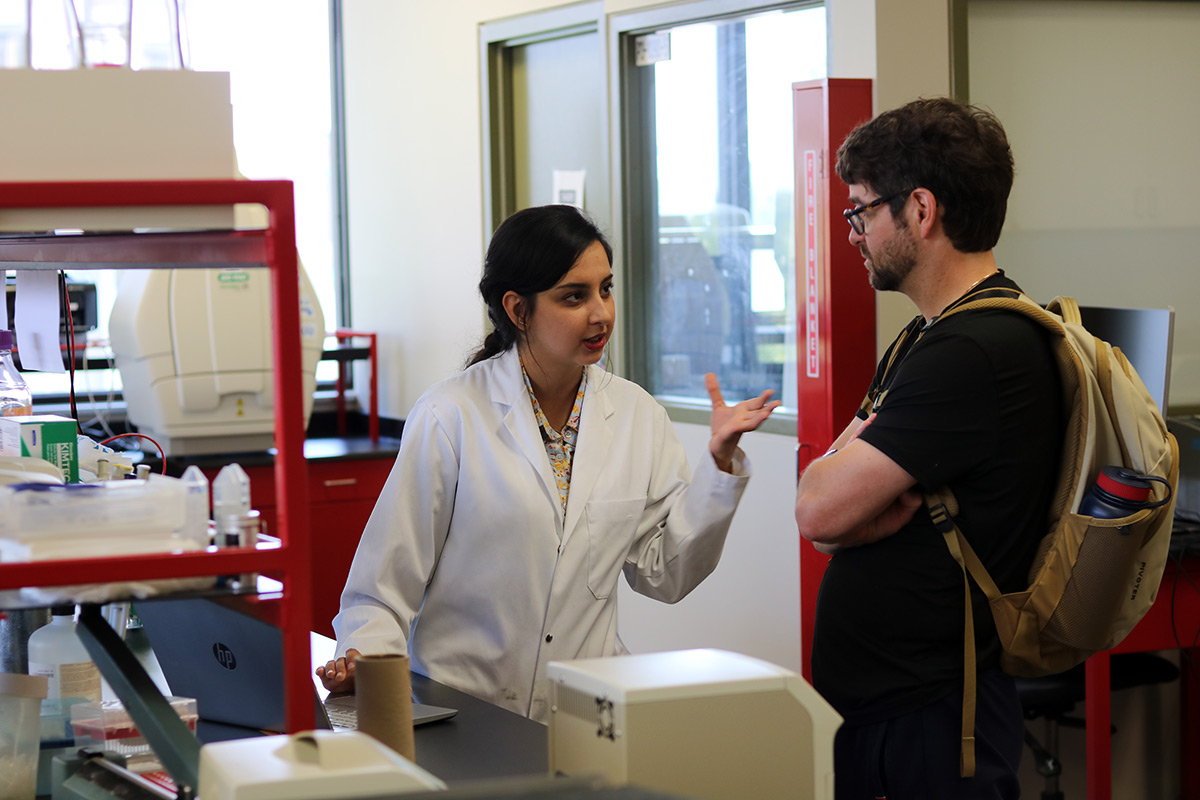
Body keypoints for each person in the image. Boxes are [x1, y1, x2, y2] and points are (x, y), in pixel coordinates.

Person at [319, 204, 780, 723]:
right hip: (465, 712)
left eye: (605, 289)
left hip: (584, 713)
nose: (601, 313)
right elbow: (382, 587)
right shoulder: (450, 415)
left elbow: (665, 574)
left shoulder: (637, 415)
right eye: (574, 296)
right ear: (518, 310)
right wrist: (364, 660)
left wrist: (719, 466)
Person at [794, 98, 1064, 799]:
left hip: (935, 717)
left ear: (919, 210)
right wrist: (840, 511)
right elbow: (823, 507)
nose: (852, 232)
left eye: (860, 211)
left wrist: (842, 511)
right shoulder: (929, 335)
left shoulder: (973, 350)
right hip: (892, 707)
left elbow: (817, 507)